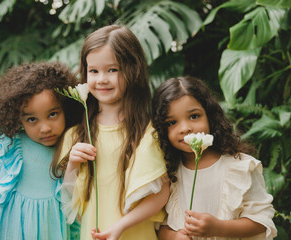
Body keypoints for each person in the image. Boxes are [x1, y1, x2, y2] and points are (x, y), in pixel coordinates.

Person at [55, 25, 170, 240]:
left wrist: (121, 226)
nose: (101, 79)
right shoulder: (77, 134)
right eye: (94, 71)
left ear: (133, 70)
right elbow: (69, 199)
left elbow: (161, 193)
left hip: (136, 234)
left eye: (112, 70)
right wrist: (72, 163)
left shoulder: (148, 131)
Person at [0, 62, 83, 240]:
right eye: (32, 119)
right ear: (18, 118)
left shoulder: (71, 148)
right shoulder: (10, 145)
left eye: (52, 114)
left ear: (66, 109)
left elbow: (72, 208)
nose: (45, 128)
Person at [151, 76, 277, 240]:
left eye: (194, 116)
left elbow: (262, 221)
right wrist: (174, 236)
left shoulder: (240, 167)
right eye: (171, 122)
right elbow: (160, 226)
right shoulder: (168, 174)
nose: (185, 128)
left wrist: (219, 228)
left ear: (210, 116)